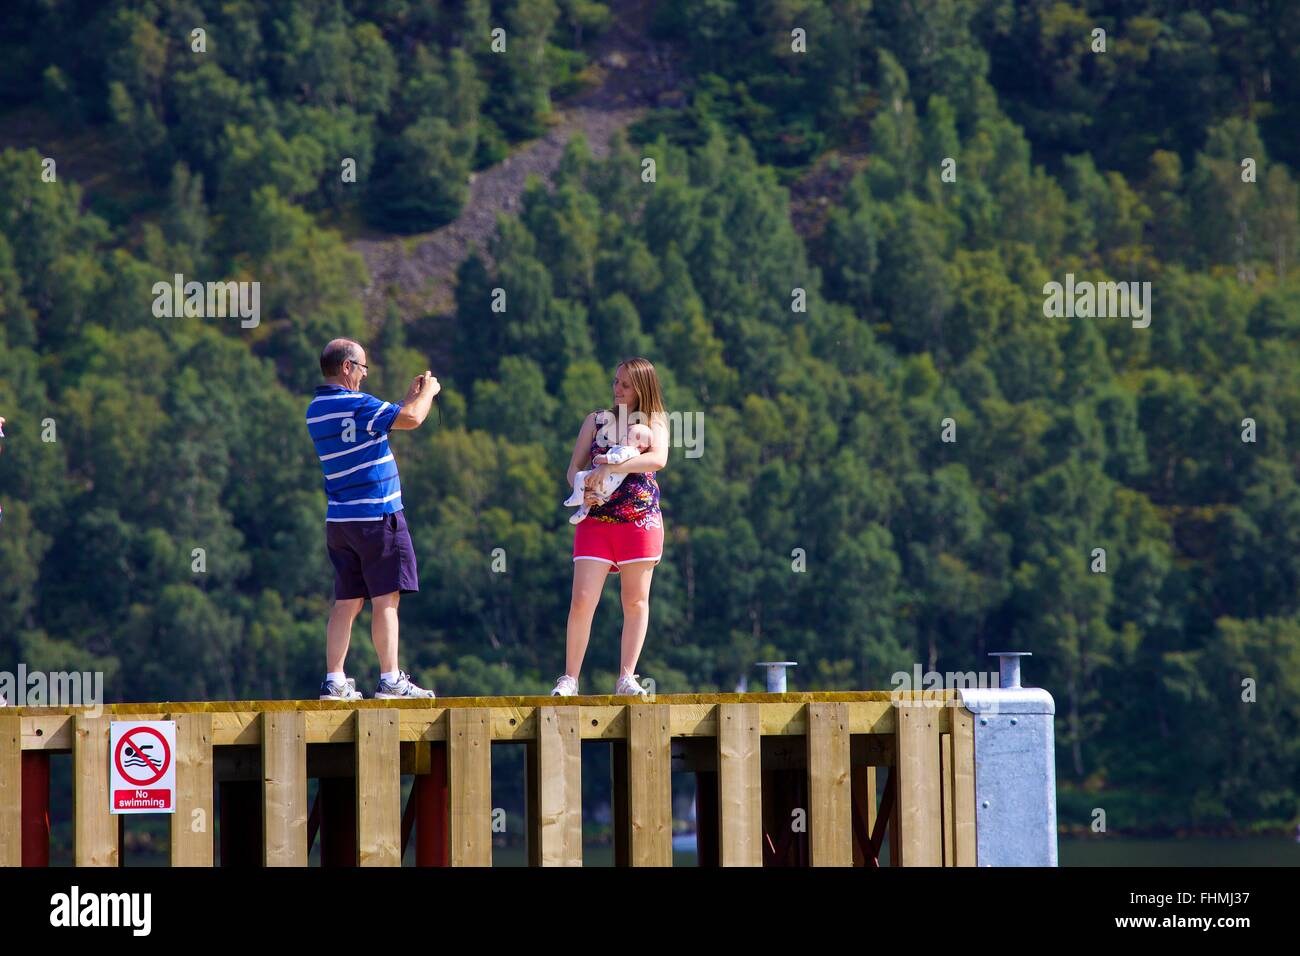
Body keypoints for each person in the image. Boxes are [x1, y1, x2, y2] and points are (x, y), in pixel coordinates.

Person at [306, 339, 439, 700]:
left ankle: (334, 679)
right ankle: (391, 678)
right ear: (347, 367)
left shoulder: (316, 410)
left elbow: (374, 421)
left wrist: (404, 400)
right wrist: (427, 393)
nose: (365, 376)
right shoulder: (359, 405)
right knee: (386, 599)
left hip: (340, 521)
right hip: (377, 515)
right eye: (363, 368)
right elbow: (412, 419)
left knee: (346, 601)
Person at [552, 358, 669, 697]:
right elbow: (574, 467)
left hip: (639, 522)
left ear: (642, 389)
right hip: (596, 521)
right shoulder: (596, 420)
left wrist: (614, 465)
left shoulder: (655, 421)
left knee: (635, 601)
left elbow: (658, 459)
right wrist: (584, 485)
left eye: (626, 385)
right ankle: (569, 678)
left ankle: (627, 677)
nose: (618, 389)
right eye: (616, 381)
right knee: (581, 600)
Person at [563, 421, 653, 524]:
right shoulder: (627, 449)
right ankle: (582, 512)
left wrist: (603, 459)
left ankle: (577, 497)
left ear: (640, 445)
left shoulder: (630, 450)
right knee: (590, 499)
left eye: (628, 436)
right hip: (607, 486)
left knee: (580, 476)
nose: (623, 437)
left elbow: (617, 458)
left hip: (607, 482)